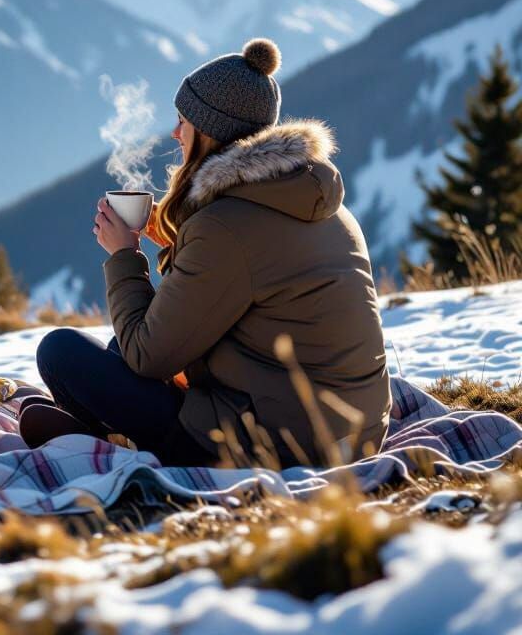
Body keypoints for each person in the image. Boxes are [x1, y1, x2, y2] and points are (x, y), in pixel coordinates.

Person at [20, 38, 391, 468]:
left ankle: (107, 441)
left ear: (210, 129)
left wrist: (123, 253)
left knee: (62, 351)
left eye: (183, 121)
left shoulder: (225, 227)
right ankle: (103, 435)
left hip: (278, 444)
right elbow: (246, 279)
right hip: (356, 430)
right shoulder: (321, 204)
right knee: (116, 350)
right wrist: (176, 235)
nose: (175, 133)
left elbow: (149, 356)